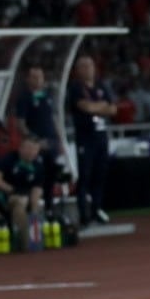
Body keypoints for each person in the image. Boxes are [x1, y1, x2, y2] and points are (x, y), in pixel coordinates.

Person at [66, 55, 117, 226]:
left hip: (101, 137)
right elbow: (85, 107)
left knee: (100, 175)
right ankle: (84, 214)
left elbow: (113, 109)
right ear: (78, 70)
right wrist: (100, 106)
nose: (88, 69)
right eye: (84, 66)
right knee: (85, 175)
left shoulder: (101, 85)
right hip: (85, 138)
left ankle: (97, 209)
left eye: (90, 65)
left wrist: (97, 108)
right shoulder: (76, 88)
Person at [14, 65, 62, 212]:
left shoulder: (47, 96)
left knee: (52, 173)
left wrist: (60, 140)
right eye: (34, 77)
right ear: (28, 79)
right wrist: (34, 140)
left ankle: (49, 205)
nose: (38, 80)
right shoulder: (24, 98)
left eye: (40, 76)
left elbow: (54, 119)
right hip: (35, 145)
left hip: (51, 142)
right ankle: (33, 207)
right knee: (36, 176)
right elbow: (20, 124)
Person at [0, 135, 45, 251]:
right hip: (5, 196)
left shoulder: (38, 166)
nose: (31, 152)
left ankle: (36, 240)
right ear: (21, 148)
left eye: (34, 149)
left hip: (26, 196)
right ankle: (25, 243)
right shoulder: (9, 159)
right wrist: (13, 191)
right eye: (28, 148)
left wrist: (34, 207)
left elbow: (37, 189)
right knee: (20, 202)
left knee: (36, 205)